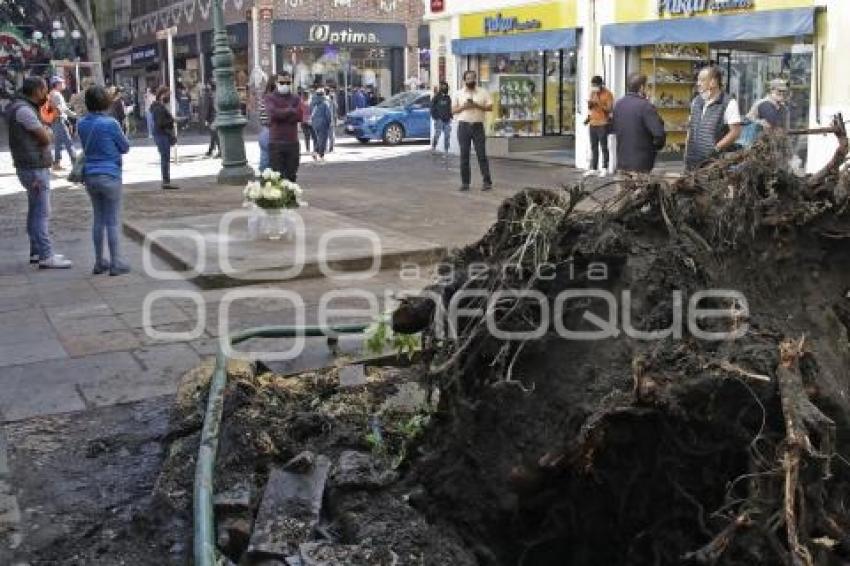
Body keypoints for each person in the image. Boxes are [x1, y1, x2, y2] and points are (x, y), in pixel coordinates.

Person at [6, 76, 73, 269]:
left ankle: (37, 251)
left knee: (35, 211)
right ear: (36, 91)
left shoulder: (21, 107)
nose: (46, 94)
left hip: (29, 165)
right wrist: (48, 132)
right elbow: (45, 138)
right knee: (42, 213)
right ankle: (45, 254)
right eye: (44, 90)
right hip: (34, 167)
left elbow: (46, 123)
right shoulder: (24, 110)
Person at [77, 85, 131, 276]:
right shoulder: (111, 123)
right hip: (110, 175)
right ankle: (116, 262)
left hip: (90, 175)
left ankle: (99, 261)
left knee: (98, 218)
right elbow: (125, 147)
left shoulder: (81, 123)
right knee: (113, 220)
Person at [685, 66, 743, 171]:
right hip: (692, 160)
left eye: (702, 80)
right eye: (698, 80)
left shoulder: (729, 103)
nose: (698, 83)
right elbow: (691, 128)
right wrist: (686, 150)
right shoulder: (696, 101)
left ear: (713, 82)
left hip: (713, 164)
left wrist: (716, 148)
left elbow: (735, 132)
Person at [612, 73, 667, 174]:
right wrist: (654, 148)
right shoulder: (645, 106)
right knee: (640, 189)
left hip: (622, 161)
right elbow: (659, 133)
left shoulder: (618, 104)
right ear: (642, 88)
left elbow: (614, 128)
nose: (648, 89)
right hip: (641, 163)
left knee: (623, 188)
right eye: (647, 86)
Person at [452, 70, 493, 192]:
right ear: (464, 80)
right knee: (464, 156)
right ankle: (465, 183)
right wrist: (463, 107)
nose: (471, 80)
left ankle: (487, 182)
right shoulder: (458, 93)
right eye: (468, 78)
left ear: (476, 79)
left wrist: (476, 105)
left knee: (482, 155)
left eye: (473, 78)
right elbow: (453, 110)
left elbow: (490, 107)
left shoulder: (483, 92)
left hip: (478, 127)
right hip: (463, 127)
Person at [264, 72, 303, 181]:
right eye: (282, 82)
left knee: (291, 175)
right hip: (276, 143)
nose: (284, 84)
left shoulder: (296, 98)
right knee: (277, 177)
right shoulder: (270, 98)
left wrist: (281, 114)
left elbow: (299, 116)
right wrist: (290, 110)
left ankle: (291, 198)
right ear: (276, 83)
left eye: (287, 82)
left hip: (292, 142)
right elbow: (272, 114)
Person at [150, 86, 179, 190]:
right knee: (165, 157)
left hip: (162, 134)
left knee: (165, 157)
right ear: (162, 95)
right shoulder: (158, 108)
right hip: (161, 135)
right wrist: (172, 121)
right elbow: (160, 123)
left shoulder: (159, 107)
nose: (169, 97)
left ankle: (166, 180)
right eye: (168, 95)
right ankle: (166, 181)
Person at [586, 75, 615, 177]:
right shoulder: (592, 93)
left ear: (600, 85)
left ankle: (604, 168)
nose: (593, 87)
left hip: (602, 123)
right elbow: (590, 107)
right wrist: (590, 104)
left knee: (603, 146)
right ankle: (593, 168)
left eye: (595, 85)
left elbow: (610, 109)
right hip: (592, 123)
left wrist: (599, 104)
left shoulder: (608, 94)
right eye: (592, 85)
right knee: (593, 147)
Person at [48, 76, 77, 171]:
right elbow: (63, 109)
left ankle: (56, 163)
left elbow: (62, 106)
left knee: (58, 143)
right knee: (69, 143)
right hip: (60, 121)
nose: (64, 84)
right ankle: (76, 164)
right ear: (57, 84)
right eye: (62, 83)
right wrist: (75, 115)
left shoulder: (52, 93)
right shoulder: (56, 94)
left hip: (55, 121)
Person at [311, 88, 333, 164]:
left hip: (314, 123)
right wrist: (329, 123)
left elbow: (311, 112)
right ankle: (321, 156)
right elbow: (328, 115)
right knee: (323, 140)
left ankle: (315, 152)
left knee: (319, 139)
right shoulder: (325, 103)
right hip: (323, 123)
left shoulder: (313, 102)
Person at [430, 80, 452, 154]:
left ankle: (446, 151)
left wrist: (450, 116)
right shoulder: (436, 97)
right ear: (440, 87)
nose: (445, 88)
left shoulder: (448, 98)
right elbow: (432, 108)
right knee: (437, 134)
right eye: (443, 86)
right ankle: (433, 148)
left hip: (447, 120)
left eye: (446, 86)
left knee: (447, 136)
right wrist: (435, 117)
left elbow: (449, 108)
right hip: (439, 120)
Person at [257, 80, 274, 172]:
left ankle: (264, 180)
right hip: (272, 132)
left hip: (265, 131)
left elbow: (262, 117)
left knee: (265, 161)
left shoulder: (264, 99)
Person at [199, 84, 220, 158]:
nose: (201, 92)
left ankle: (220, 151)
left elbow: (206, 109)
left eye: (202, 90)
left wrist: (205, 119)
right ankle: (211, 150)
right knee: (213, 135)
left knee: (215, 135)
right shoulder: (213, 95)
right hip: (215, 117)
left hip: (212, 118)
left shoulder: (207, 97)